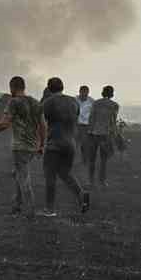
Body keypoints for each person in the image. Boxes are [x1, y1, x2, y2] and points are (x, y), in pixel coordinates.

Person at [0, 75, 44, 217]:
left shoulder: (14, 102)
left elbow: (5, 123)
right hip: (32, 146)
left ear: (12, 87)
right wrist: (41, 144)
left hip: (20, 146)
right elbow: (43, 125)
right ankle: (17, 206)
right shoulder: (36, 102)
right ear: (23, 86)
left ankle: (30, 210)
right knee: (18, 174)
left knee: (23, 177)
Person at [39, 77, 89, 218]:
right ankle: (81, 194)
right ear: (62, 87)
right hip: (70, 144)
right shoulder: (74, 101)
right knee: (65, 173)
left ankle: (49, 209)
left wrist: (41, 144)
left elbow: (41, 120)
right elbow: (76, 116)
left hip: (54, 143)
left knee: (50, 175)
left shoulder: (48, 102)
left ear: (49, 88)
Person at [87, 84, 120, 186]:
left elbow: (91, 118)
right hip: (106, 135)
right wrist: (115, 135)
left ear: (103, 92)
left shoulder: (96, 103)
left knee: (92, 159)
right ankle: (102, 181)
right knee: (103, 160)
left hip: (94, 134)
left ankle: (90, 181)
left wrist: (90, 131)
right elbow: (112, 122)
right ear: (112, 94)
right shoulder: (115, 105)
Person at [76, 84, 94, 151]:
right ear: (79, 92)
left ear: (88, 92)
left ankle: (84, 160)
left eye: (85, 92)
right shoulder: (74, 100)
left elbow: (93, 114)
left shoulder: (92, 101)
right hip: (76, 125)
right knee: (74, 144)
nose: (84, 94)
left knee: (85, 145)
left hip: (86, 126)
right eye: (82, 92)